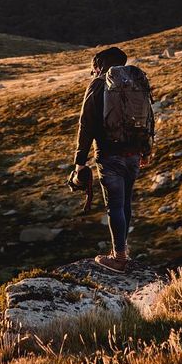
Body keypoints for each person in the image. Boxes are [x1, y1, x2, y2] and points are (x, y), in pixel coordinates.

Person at [72, 46, 153, 273]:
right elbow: (149, 117)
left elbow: (86, 125)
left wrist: (80, 162)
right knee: (125, 203)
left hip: (109, 155)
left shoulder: (98, 84)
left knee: (114, 206)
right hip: (134, 154)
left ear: (98, 65)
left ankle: (118, 258)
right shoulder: (135, 81)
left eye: (93, 68)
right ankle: (122, 251)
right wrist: (146, 150)